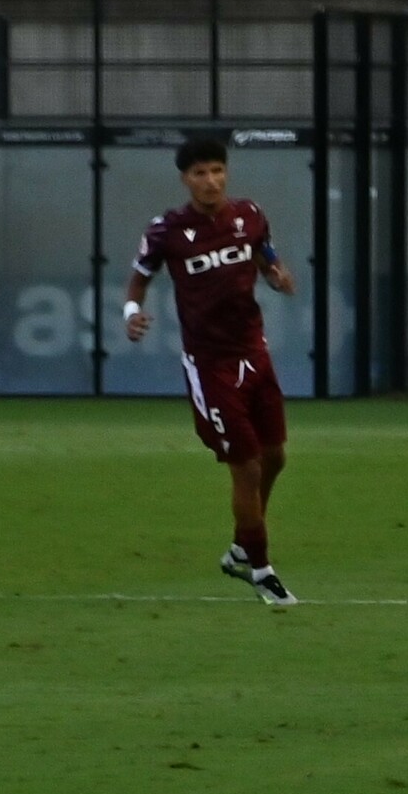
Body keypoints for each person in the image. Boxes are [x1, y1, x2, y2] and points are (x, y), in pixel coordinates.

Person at [124, 136, 300, 605]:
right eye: (200, 173)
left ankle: (242, 545)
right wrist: (131, 313)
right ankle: (260, 568)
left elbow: (265, 253)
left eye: (217, 170)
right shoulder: (167, 230)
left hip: (255, 353)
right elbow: (140, 277)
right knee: (246, 466)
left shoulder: (250, 215)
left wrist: (277, 274)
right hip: (211, 365)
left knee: (275, 457)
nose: (211, 181)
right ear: (185, 179)